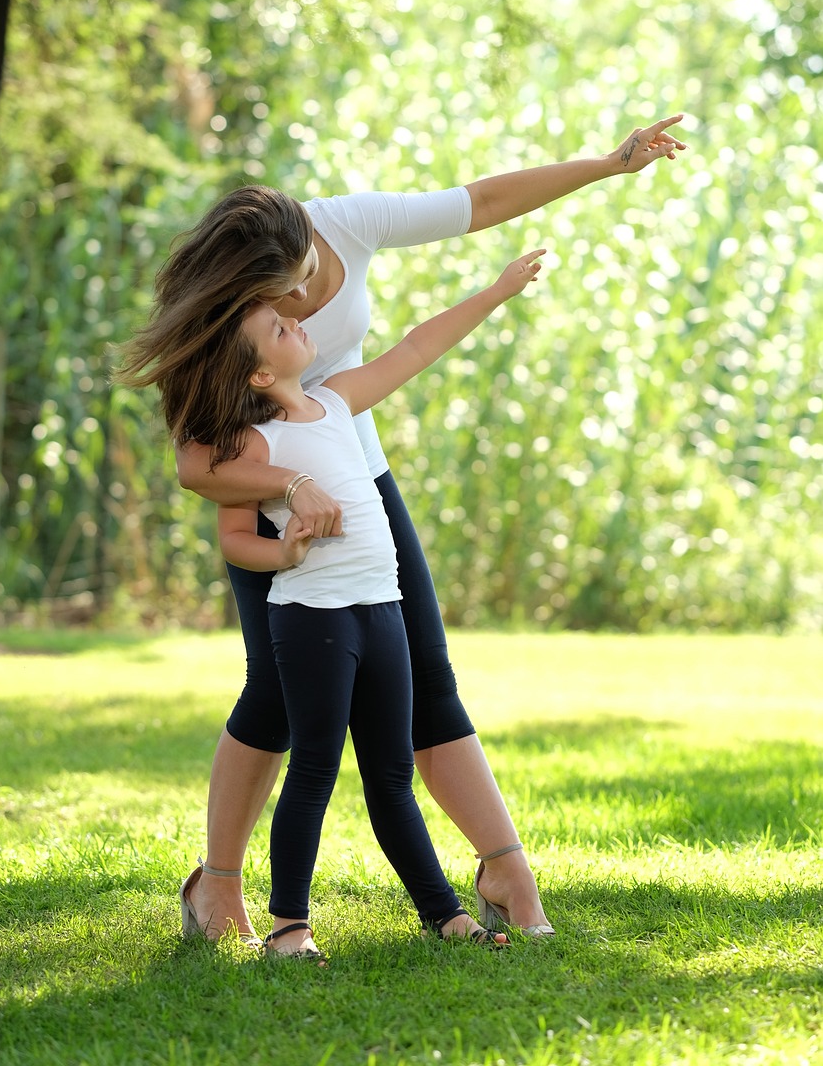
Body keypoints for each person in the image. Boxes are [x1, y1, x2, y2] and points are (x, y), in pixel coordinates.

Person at [120, 114, 685, 944]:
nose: (300, 308)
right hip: (270, 495)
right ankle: (221, 888)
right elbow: (195, 465)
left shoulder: (347, 221)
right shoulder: (219, 312)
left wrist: (609, 164)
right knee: (275, 698)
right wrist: (290, 482)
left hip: (360, 481)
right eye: (278, 306)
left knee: (426, 675)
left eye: (305, 283)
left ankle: (504, 868)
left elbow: (482, 200)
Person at [207, 249, 545, 955]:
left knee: (392, 774)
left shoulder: (336, 401)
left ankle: (446, 915)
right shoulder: (252, 443)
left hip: (381, 608)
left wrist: (495, 288)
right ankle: (288, 928)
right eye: (277, 328)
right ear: (260, 375)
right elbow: (236, 536)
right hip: (312, 620)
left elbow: (417, 345)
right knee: (315, 770)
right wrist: (285, 553)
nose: (296, 323)